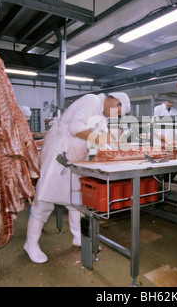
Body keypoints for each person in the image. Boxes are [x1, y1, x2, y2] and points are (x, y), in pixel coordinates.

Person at [24, 92, 130, 263]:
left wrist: (108, 146)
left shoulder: (100, 115)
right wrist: (102, 139)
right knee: (44, 200)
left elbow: (99, 138)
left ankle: (79, 238)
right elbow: (75, 128)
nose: (116, 116)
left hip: (75, 157)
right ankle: (31, 243)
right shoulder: (92, 100)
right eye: (118, 112)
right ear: (116, 102)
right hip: (59, 153)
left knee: (76, 199)